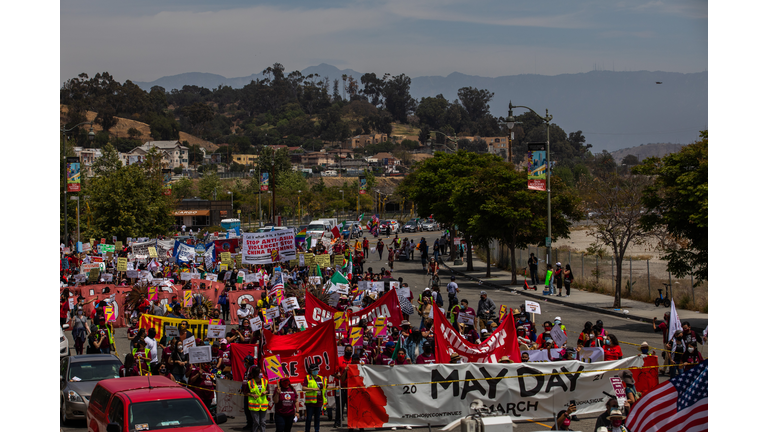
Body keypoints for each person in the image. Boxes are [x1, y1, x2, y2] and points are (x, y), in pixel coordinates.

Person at [303, 363, 326, 432]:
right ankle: (307, 430)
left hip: (318, 402)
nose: (315, 371)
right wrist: (313, 389)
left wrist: (336, 387)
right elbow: (303, 388)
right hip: (310, 402)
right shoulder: (307, 377)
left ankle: (317, 430)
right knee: (309, 418)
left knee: (317, 418)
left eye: (316, 369)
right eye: (313, 370)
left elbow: (325, 387)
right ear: (310, 371)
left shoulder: (321, 378)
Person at [247, 366, 269, 432]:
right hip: (254, 406)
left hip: (263, 405)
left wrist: (266, 391)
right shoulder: (250, 382)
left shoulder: (265, 381)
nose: (261, 374)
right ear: (255, 373)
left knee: (263, 422)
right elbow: (245, 392)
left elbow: (268, 390)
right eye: (260, 372)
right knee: (256, 422)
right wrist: (252, 395)